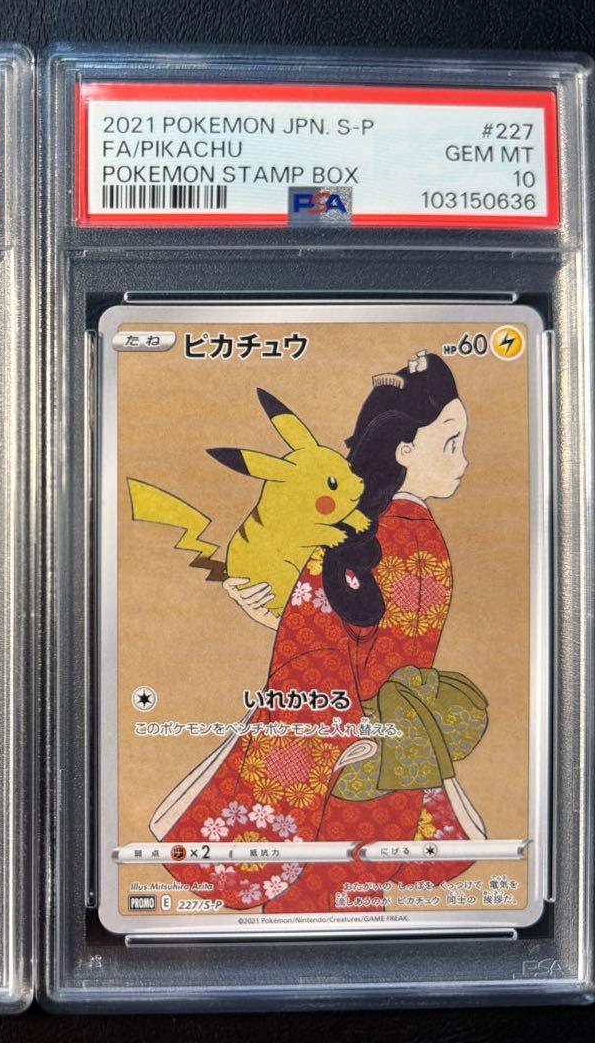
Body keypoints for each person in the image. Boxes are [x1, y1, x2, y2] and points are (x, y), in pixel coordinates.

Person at [158, 351, 487, 913]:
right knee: (355, 899)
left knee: (314, 903)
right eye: (451, 443)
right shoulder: (416, 535)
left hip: (344, 754)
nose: (463, 461)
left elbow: (324, 646)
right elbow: (369, 631)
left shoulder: (362, 540)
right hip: (398, 750)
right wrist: (278, 613)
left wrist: (330, 722)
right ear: (404, 450)